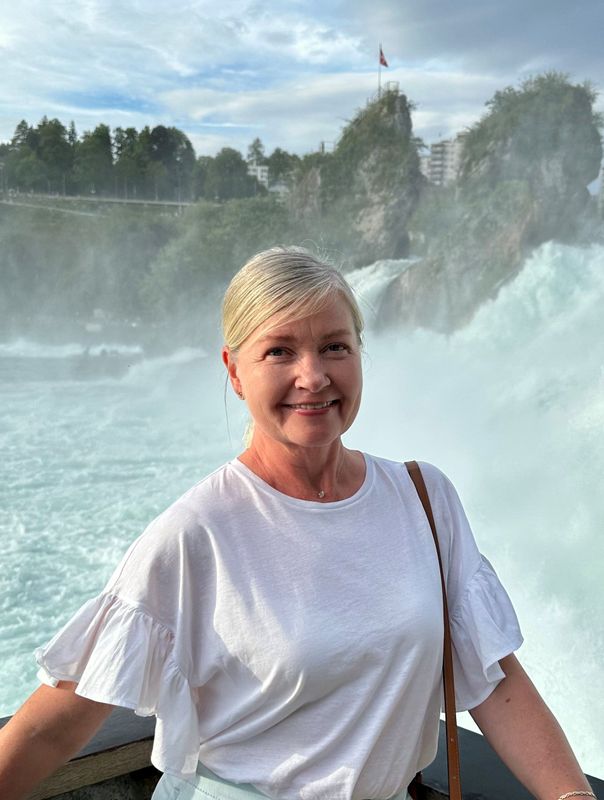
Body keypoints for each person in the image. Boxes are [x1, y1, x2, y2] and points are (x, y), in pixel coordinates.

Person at [0, 247, 595, 800]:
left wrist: (572, 796)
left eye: (335, 347)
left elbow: (494, 681)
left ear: (360, 355)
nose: (313, 377)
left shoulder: (424, 497)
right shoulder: (195, 535)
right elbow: (53, 729)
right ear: (235, 371)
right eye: (279, 351)